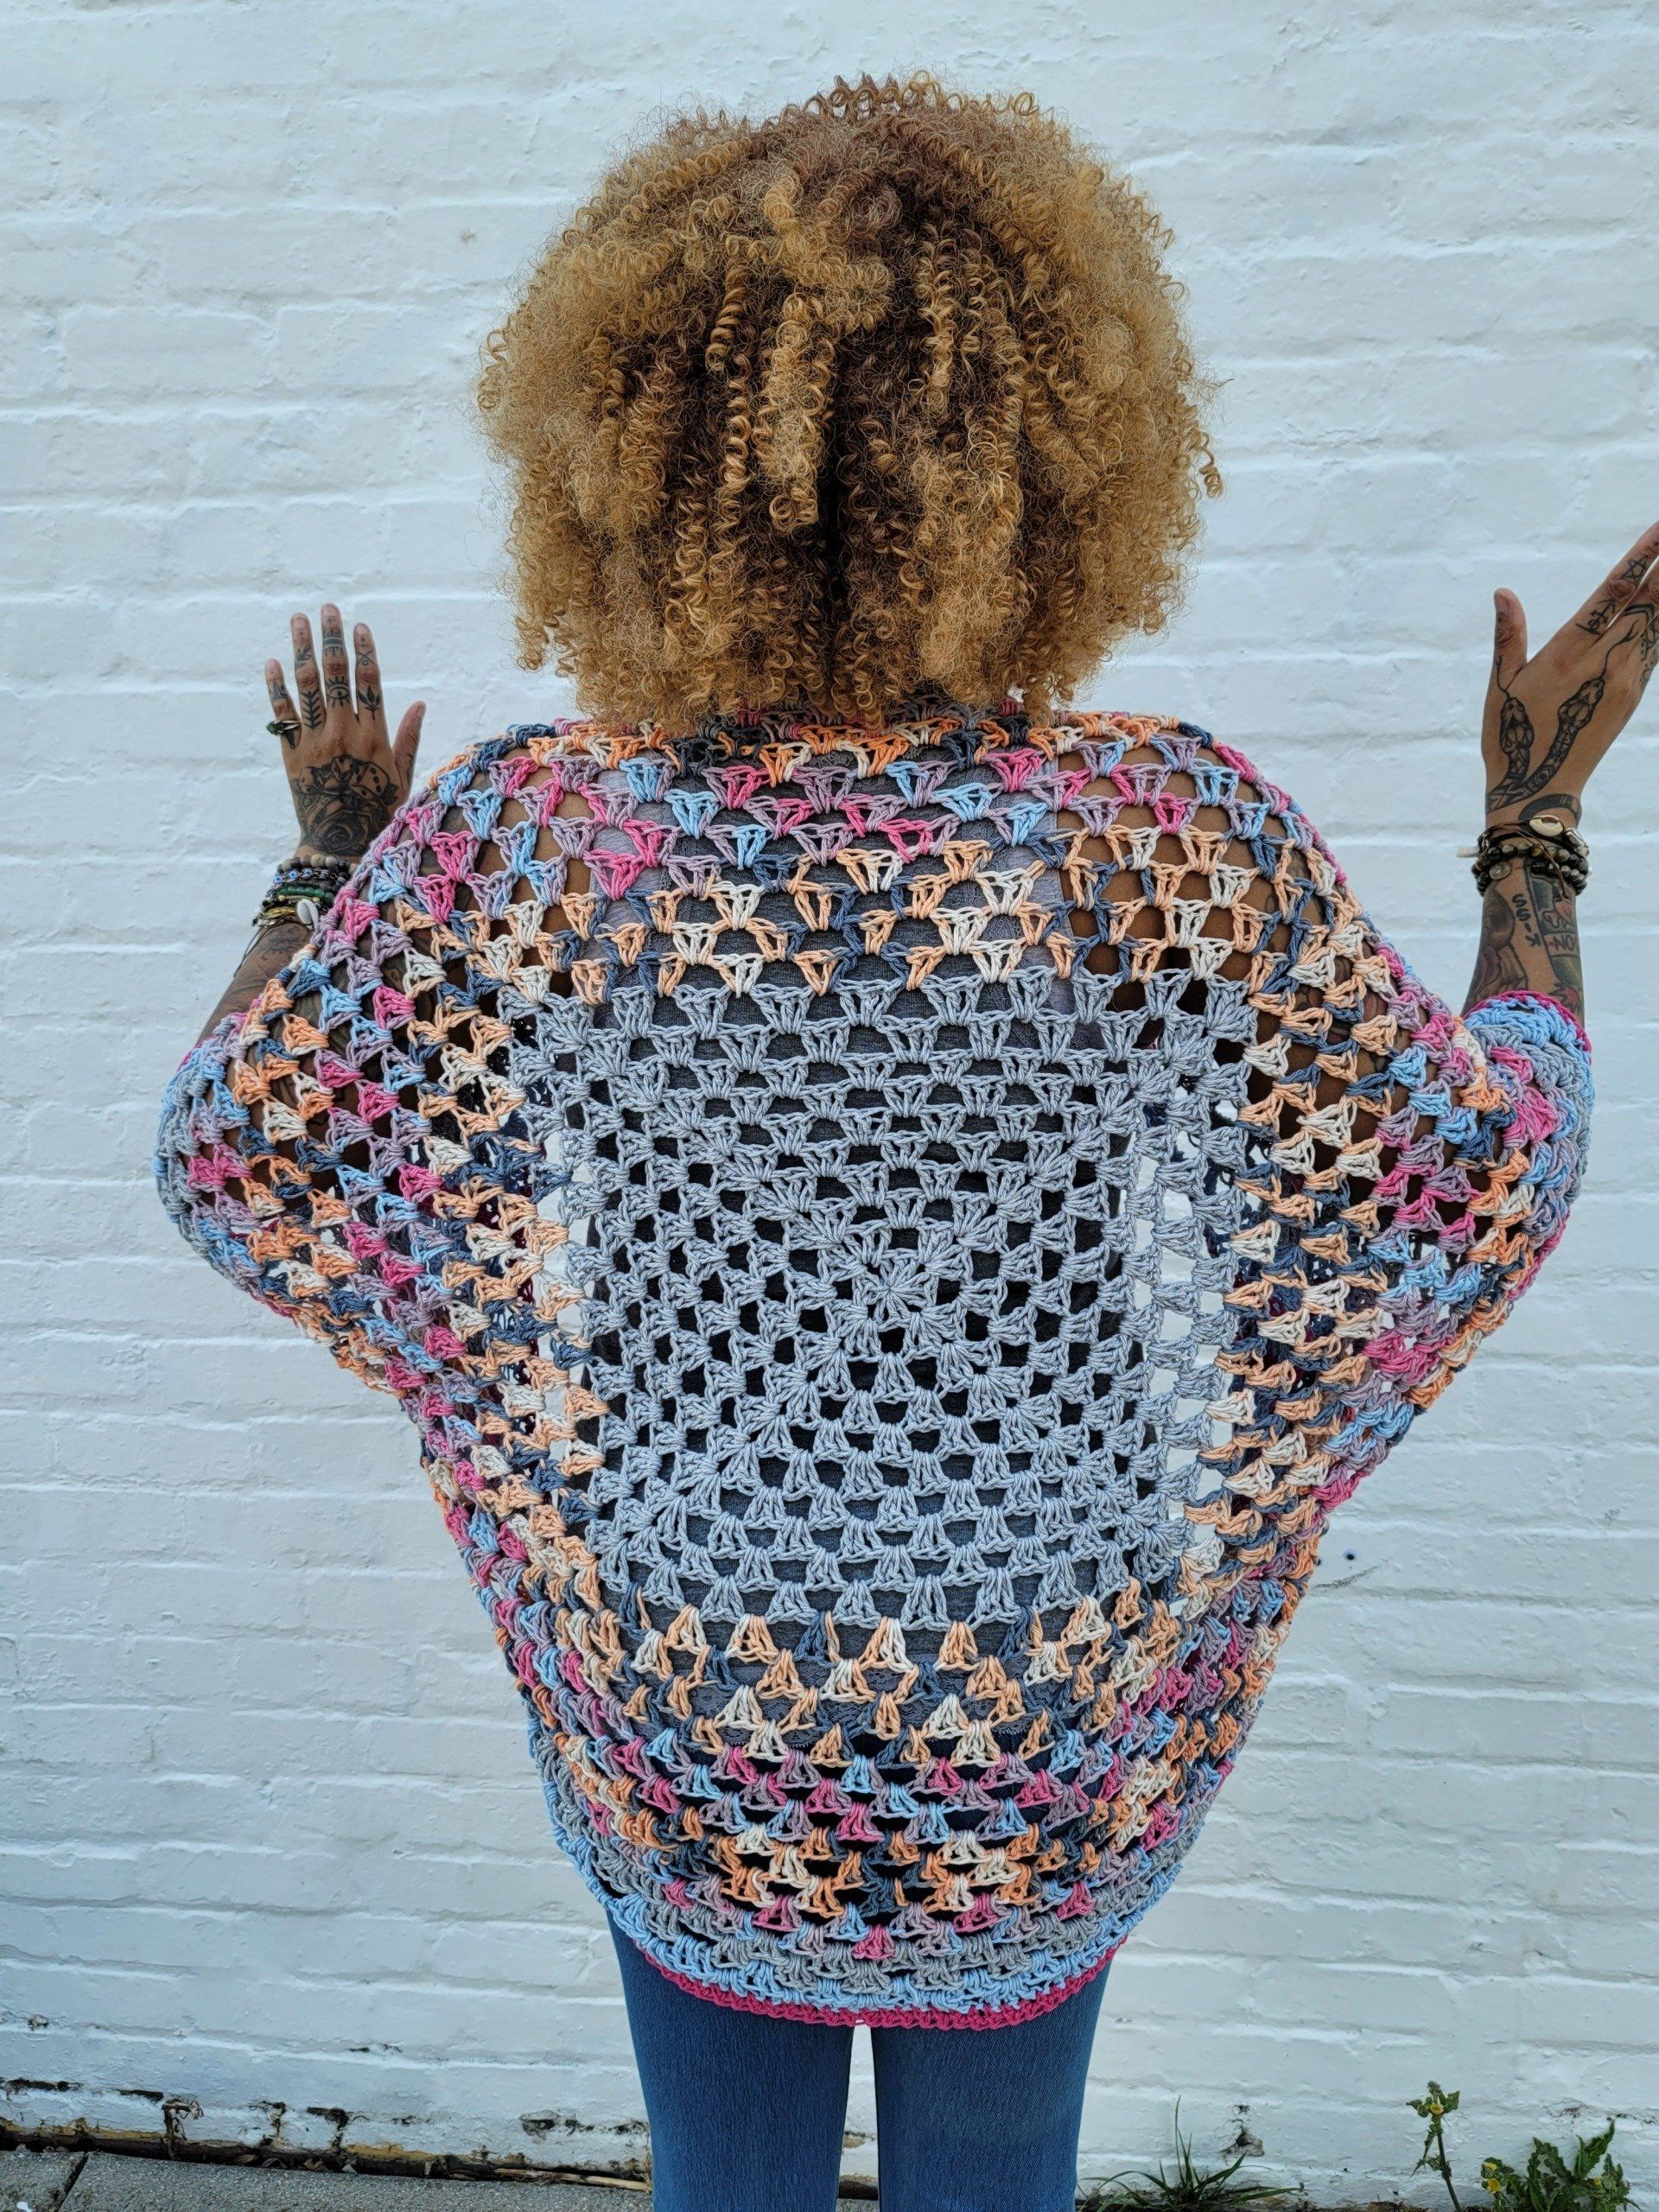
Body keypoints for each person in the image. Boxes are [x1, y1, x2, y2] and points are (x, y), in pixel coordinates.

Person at [152, 73, 1644, 2212]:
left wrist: (323, 879)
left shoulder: (543, 833)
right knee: (996, 2190)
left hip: (696, 1656)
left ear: (638, 453)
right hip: (1038, 1665)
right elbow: (1475, 1170)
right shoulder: (1154, 831)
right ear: (1047, 455)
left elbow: (237, 1145)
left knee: (724, 2190)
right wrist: (1534, 827)